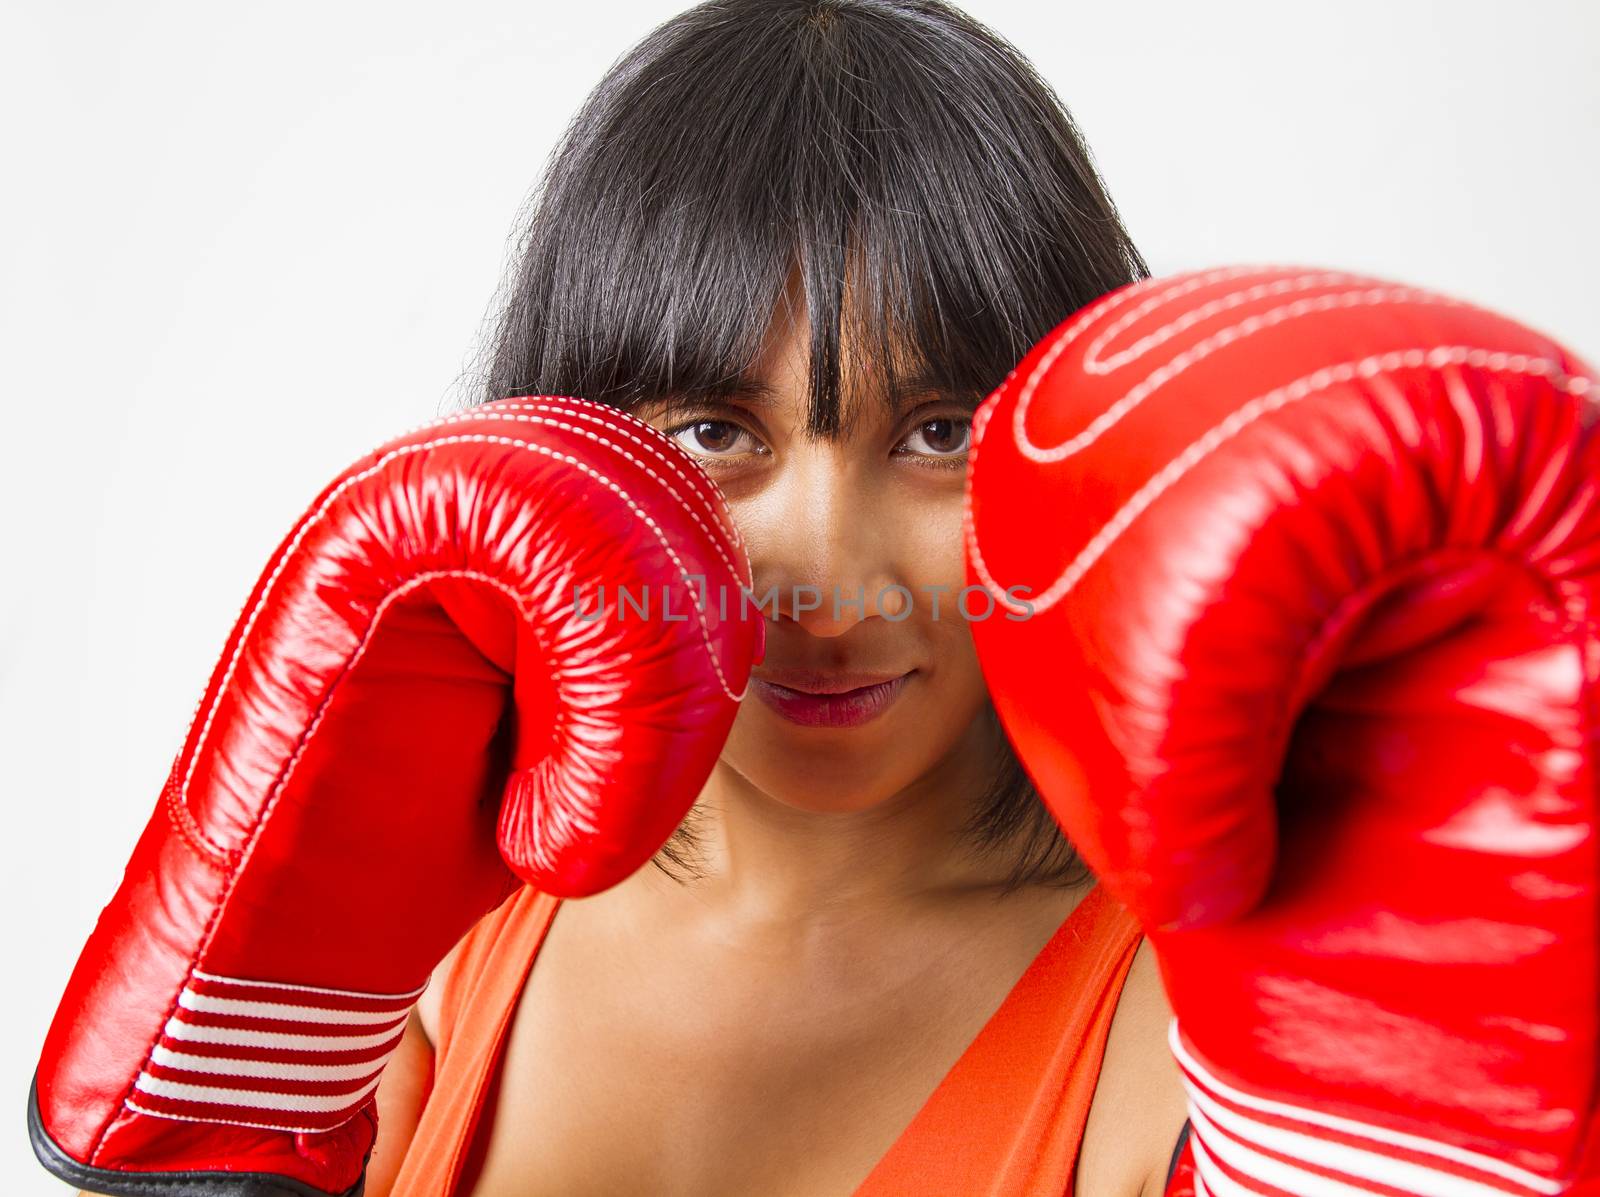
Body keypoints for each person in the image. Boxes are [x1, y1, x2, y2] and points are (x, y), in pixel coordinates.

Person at [366, 1, 1192, 1193]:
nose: (831, 591)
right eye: (714, 432)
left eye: (939, 431)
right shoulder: (427, 960)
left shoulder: (1178, 1039)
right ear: (563, 453)